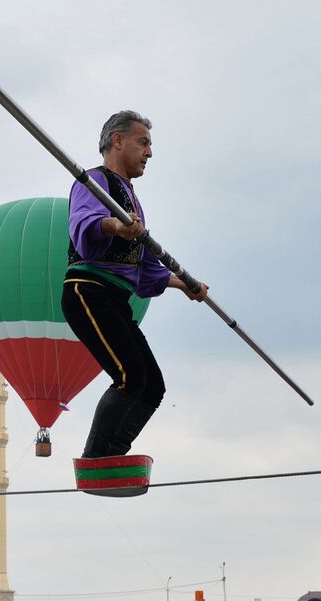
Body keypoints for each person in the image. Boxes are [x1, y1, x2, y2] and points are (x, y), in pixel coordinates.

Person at [62, 110, 209, 459]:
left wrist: (182, 283)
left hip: (115, 297)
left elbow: (143, 266)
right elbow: (84, 225)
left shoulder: (132, 198)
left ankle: (113, 453)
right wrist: (115, 225)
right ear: (118, 140)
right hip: (89, 290)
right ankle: (97, 458)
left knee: (151, 385)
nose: (149, 152)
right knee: (129, 375)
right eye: (143, 142)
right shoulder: (94, 181)